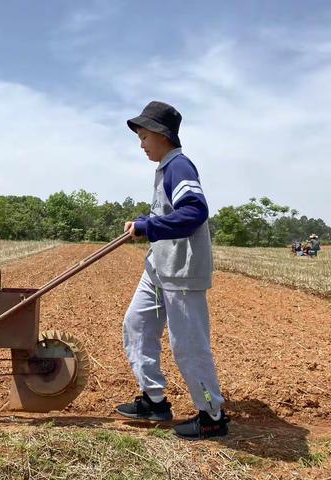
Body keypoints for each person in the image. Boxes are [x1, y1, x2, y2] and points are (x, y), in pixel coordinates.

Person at [116, 101, 229, 439]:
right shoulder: (165, 169)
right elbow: (170, 215)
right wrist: (147, 225)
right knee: (136, 325)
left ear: (162, 136)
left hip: (182, 271)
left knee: (189, 346)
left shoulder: (179, 166)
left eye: (144, 136)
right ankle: (154, 400)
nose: (141, 144)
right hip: (158, 267)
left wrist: (149, 226)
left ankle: (212, 415)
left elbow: (195, 211)